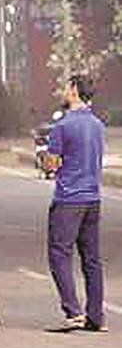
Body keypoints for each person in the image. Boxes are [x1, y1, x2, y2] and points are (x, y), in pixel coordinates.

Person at [45, 75, 107, 333]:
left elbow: (51, 162)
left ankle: (73, 312)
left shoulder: (63, 125)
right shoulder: (98, 125)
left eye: (67, 87)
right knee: (92, 259)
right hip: (92, 197)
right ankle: (96, 316)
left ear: (73, 91)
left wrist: (50, 163)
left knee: (60, 253)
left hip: (68, 198)